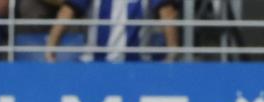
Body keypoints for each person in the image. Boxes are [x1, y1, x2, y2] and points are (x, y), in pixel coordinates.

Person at [44, 0, 183, 61]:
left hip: (95, 67)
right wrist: (172, 53)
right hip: (138, 68)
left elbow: (66, 13)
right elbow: (168, 14)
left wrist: (51, 47)